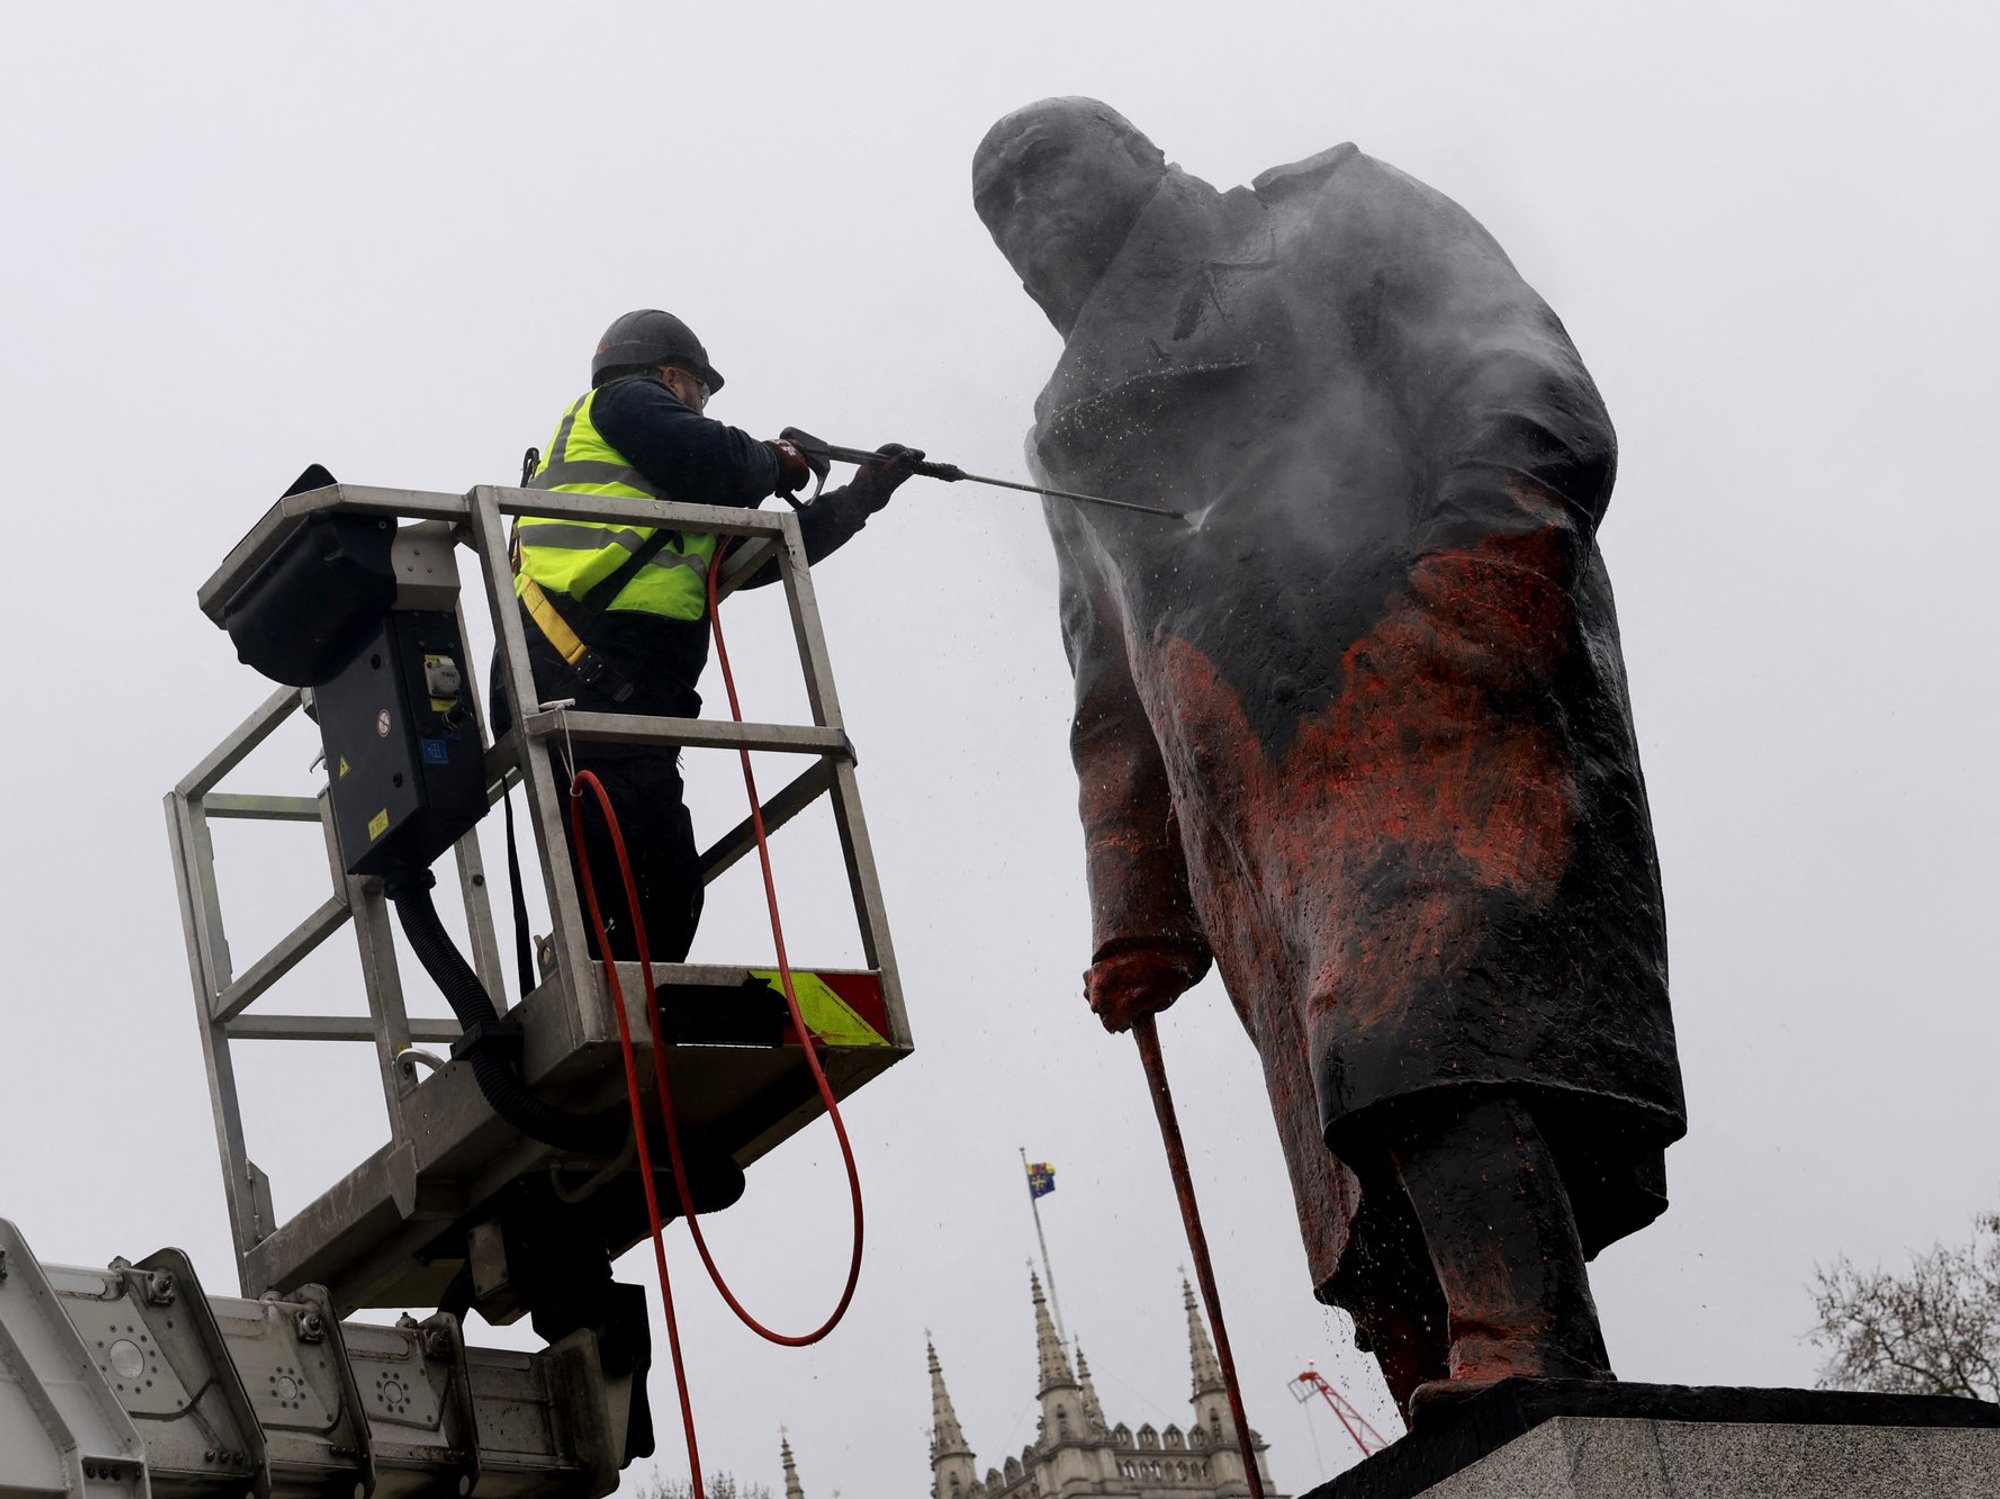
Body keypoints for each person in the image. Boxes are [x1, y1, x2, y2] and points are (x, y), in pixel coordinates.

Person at [974, 99, 1685, 1419]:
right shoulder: (1066, 428)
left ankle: (1525, 1335)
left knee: (1420, 1020)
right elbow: (1107, 667)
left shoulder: (1330, 220)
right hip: (1248, 797)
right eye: (1001, 214)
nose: (1028, 222)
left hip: (1428, 693)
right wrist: (1136, 900)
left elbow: (1521, 378)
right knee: (1332, 1116)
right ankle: (1432, 1364)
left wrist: (1481, 575)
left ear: (1134, 158)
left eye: (1043, 181)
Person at [495, 308, 920, 963]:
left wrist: (861, 498)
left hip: (602, 688)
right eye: (700, 390)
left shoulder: (655, 487)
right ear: (671, 376)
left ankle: (589, 979)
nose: (700, 404)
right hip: (584, 679)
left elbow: (760, 557)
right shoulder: (625, 401)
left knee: (646, 888)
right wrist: (779, 461)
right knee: (658, 890)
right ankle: (608, 1001)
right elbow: (719, 459)